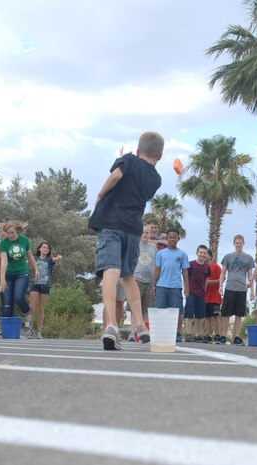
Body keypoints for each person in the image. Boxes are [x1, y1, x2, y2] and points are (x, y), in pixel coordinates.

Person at [88, 131, 163, 350]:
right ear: (160, 155)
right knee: (128, 274)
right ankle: (139, 323)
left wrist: (101, 194)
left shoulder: (129, 159)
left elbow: (117, 176)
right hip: (133, 228)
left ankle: (111, 324)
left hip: (111, 222)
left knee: (110, 269)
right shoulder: (156, 179)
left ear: (139, 151)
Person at [0, 220, 39, 336]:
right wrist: (2, 279)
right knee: (6, 303)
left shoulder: (24, 240)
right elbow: (4, 261)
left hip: (21, 273)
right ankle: (5, 330)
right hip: (7, 274)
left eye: (12, 233)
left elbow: (30, 256)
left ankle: (27, 315)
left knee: (18, 297)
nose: (10, 235)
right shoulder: (3, 243)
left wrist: (35, 269)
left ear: (17, 231)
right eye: (8, 233)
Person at [153, 228, 190, 342]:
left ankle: (177, 333)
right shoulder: (160, 253)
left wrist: (186, 288)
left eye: (174, 237)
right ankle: (160, 333)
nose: (172, 239)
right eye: (170, 237)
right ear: (167, 238)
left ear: (178, 239)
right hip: (161, 286)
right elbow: (157, 270)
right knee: (160, 311)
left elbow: (185, 272)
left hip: (176, 286)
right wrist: (153, 286)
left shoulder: (182, 254)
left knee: (177, 312)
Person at [218, 235, 255, 345]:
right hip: (230, 287)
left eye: (240, 243)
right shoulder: (228, 257)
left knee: (239, 314)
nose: (239, 245)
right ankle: (223, 336)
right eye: (237, 243)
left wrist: (252, 289)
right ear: (234, 243)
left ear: (243, 243)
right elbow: (223, 272)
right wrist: (220, 286)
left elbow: (250, 275)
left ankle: (236, 336)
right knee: (226, 313)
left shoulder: (248, 258)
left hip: (242, 289)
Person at [125, 224, 158, 324]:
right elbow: (128, 260)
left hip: (149, 282)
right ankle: (133, 331)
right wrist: (131, 275)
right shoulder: (134, 245)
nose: (144, 234)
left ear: (150, 233)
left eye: (147, 232)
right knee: (135, 306)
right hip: (137, 280)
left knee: (147, 308)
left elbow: (155, 263)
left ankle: (145, 330)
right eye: (142, 232)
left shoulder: (153, 247)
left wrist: (154, 280)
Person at [29, 241, 63, 339]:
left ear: (48, 251)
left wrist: (59, 257)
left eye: (47, 248)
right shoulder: (34, 258)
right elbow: (27, 260)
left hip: (45, 285)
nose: (45, 249)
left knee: (41, 308)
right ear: (40, 249)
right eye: (43, 247)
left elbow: (57, 259)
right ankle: (30, 330)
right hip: (35, 284)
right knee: (31, 307)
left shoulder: (49, 260)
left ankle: (39, 331)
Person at [184, 245, 211, 342]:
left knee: (200, 316)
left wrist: (205, 290)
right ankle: (188, 334)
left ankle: (197, 334)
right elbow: (186, 277)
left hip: (201, 294)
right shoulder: (191, 264)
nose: (202, 255)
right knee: (189, 314)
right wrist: (186, 289)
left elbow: (206, 280)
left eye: (204, 253)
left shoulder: (207, 267)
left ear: (206, 254)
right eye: (201, 252)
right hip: (191, 292)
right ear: (197, 253)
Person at [204, 248, 222, 343]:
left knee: (215, 316)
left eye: (207, 254)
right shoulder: (201, 267)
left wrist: (210, 282)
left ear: (210, 256)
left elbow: (222, 278)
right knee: (207, 316)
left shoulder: (215, 266)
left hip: (215, 297)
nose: (205, 256)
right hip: (205, 297)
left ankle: (217, 334)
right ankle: (207, 334)